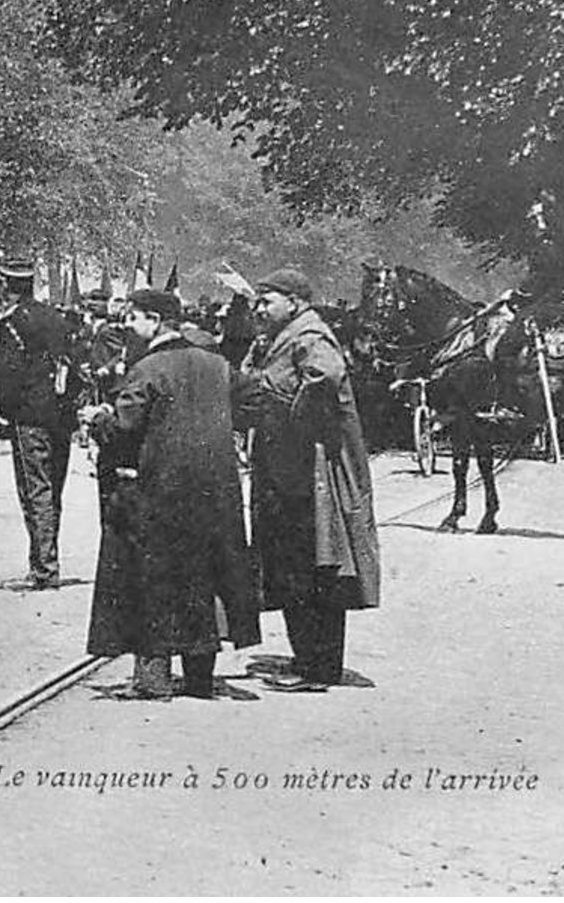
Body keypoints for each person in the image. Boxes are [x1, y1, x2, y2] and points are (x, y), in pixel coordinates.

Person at [79, 289, 259, 699]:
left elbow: (125, 427)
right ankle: (199, 680)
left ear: (155, 321)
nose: (128, 325)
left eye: (134, 318)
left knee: (151, 580)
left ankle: (153, 680)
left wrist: (98, 420)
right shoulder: (218, 365)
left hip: (159, 492)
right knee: (203, 578)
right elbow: (255, 401)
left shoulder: (149, 368)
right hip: (215, 491)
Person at [234, 268, 380, 692]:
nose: (259, 309)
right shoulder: (283, 337)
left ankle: (317, 667)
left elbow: (324, 379)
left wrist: (278, 408)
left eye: (267, 301)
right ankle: (313, 661)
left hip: (308, 471)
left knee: (313, 565)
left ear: (294, 302)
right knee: (299, 565)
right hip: (289, 465)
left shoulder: (310, 337)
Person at [0, 255, 81, 591]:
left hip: (29, 417)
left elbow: (6, 374)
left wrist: (2, 413)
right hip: (61, 417)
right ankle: (45, 562)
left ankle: (44, 568)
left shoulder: (10, 322)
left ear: (7, 286)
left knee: (34, 490)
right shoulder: (56, 318)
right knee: (53, 490)